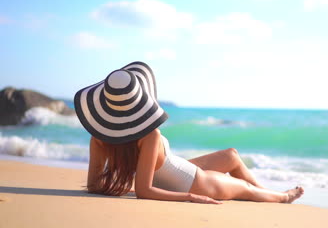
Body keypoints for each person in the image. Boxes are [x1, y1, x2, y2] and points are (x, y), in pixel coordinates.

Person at [75, 61, 304, 204]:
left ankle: (269, 192)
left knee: (232, 155)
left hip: (177, 171)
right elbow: (144, 191)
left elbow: (94, 185)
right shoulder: (149, 135)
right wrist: (189, 196)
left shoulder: (99, 138)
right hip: (194, 184)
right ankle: (282, 197)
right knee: (246, 190)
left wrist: (120, 188)